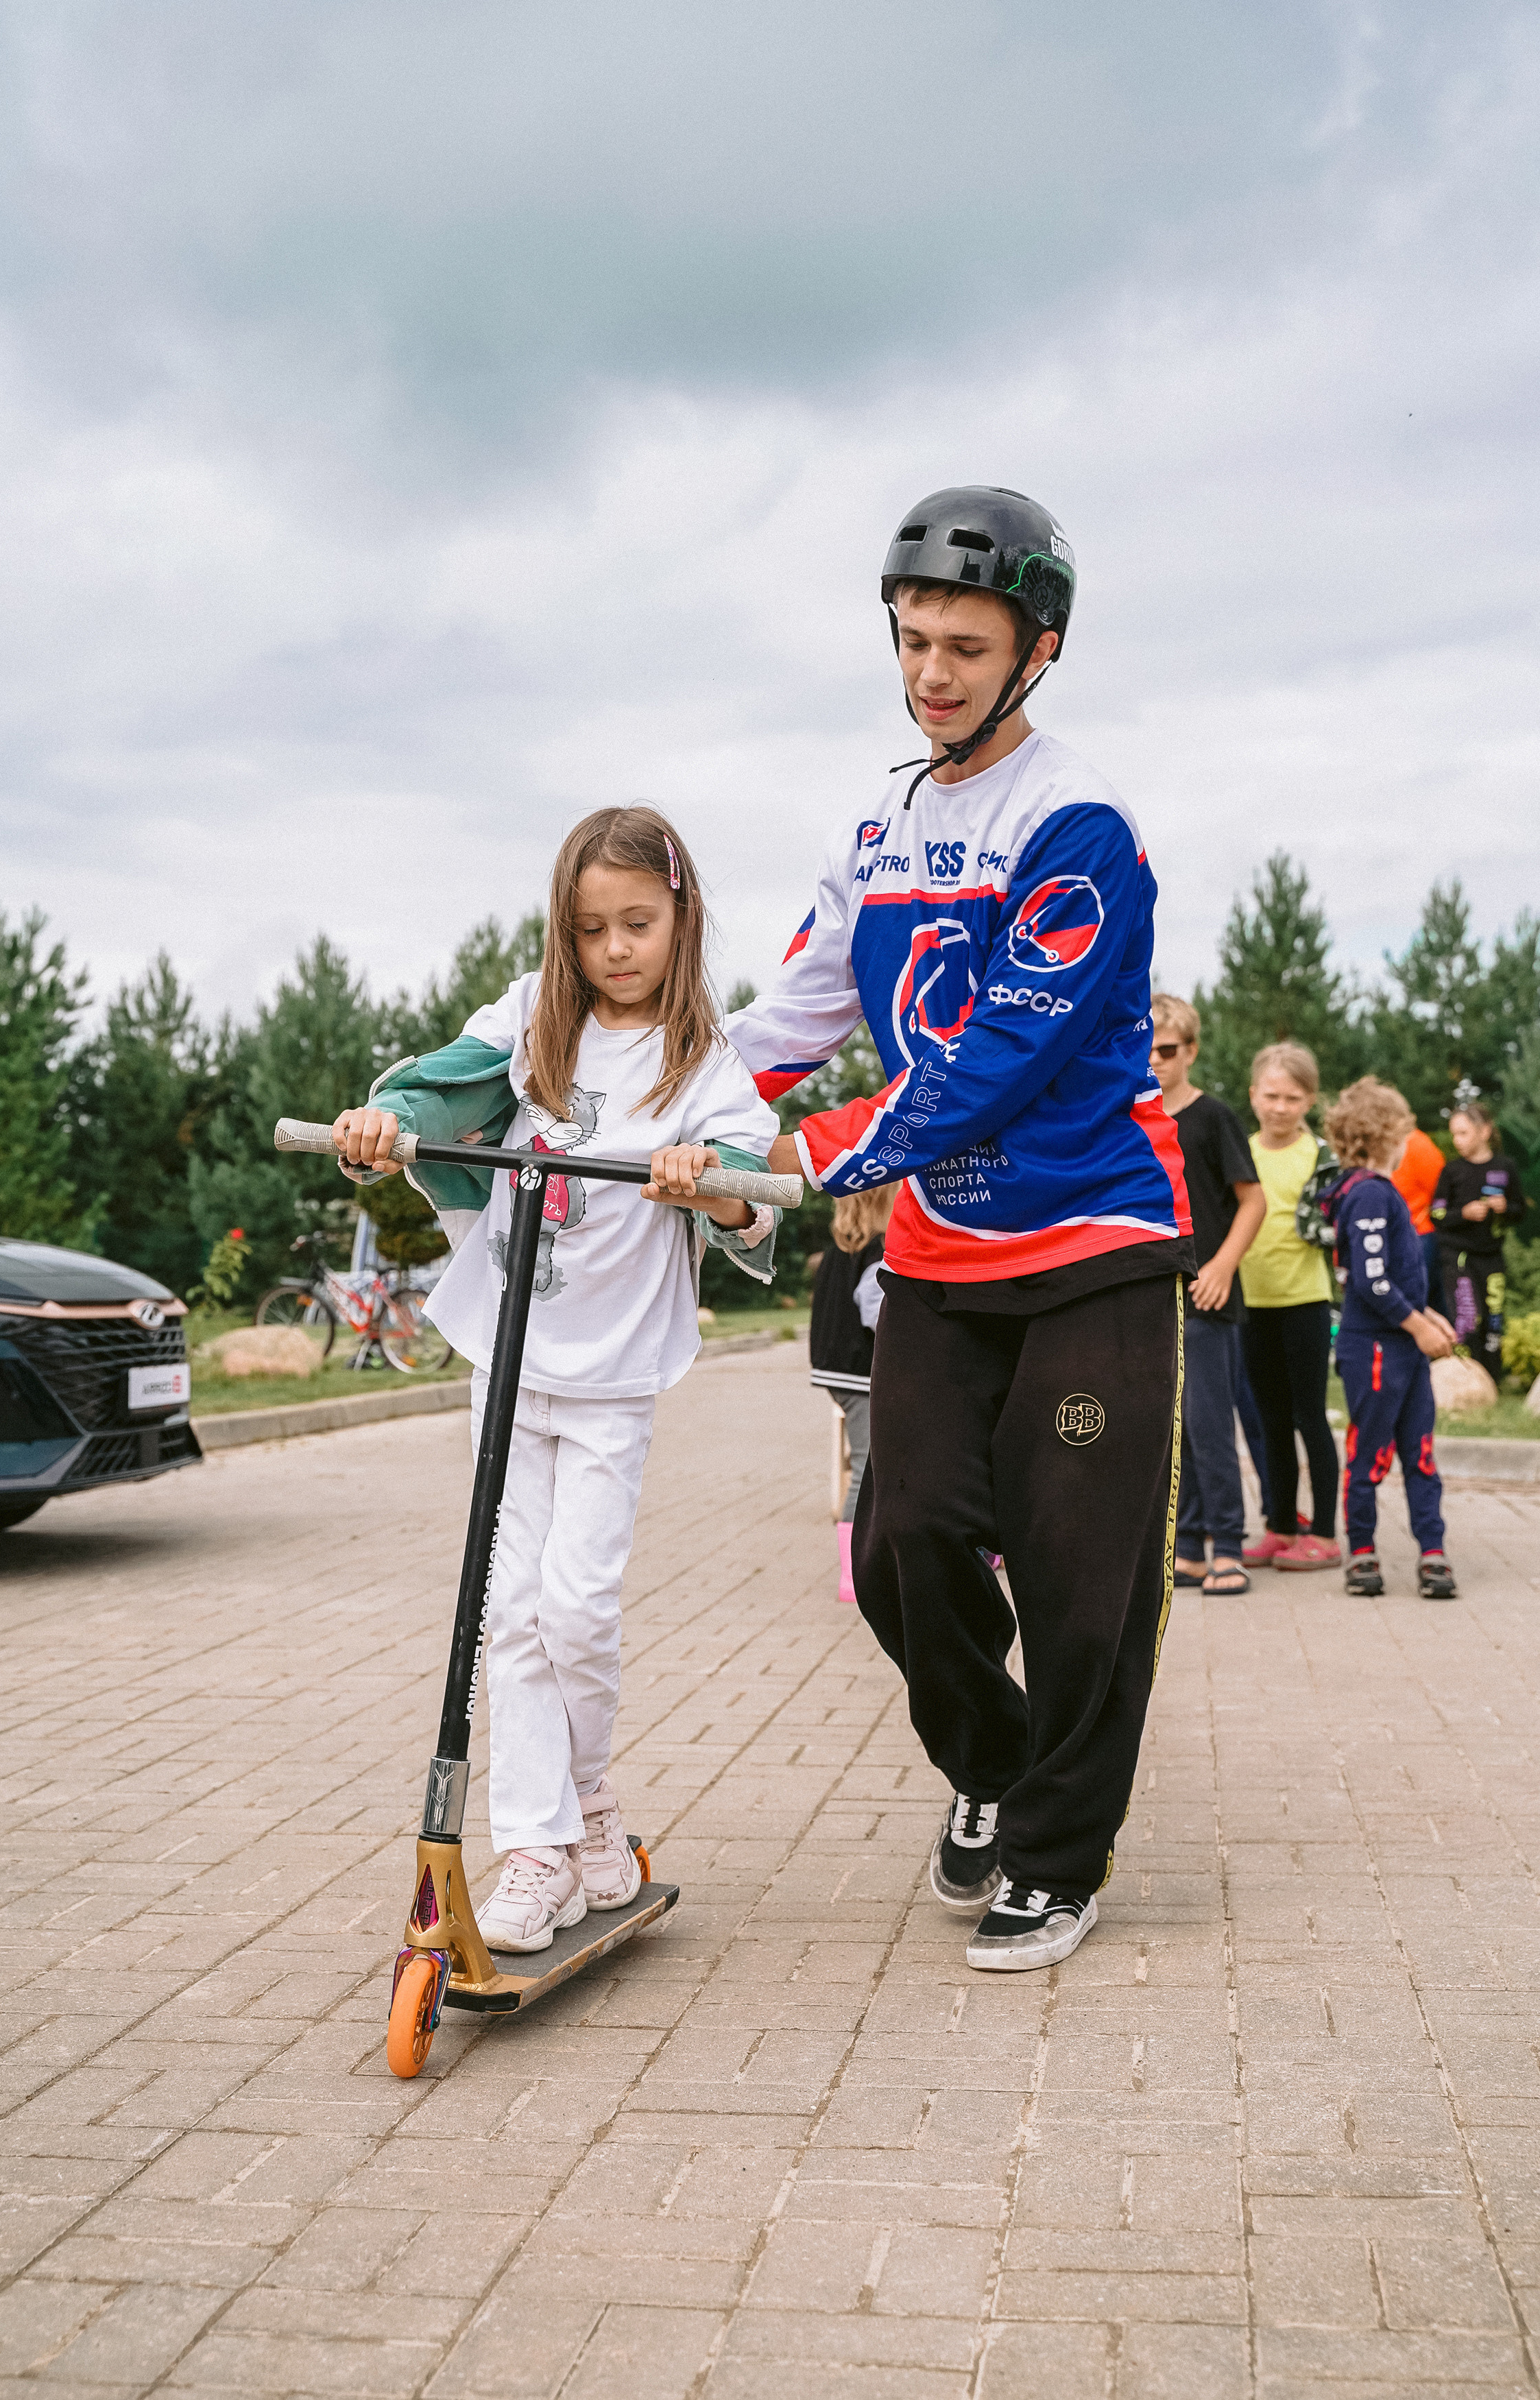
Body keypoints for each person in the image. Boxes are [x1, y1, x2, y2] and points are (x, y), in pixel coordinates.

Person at [727, 485, 1193, 1976]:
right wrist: (639, 1110)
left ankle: (1057, 1854)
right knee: (898, 1548)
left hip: (1091, 1250)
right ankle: (992, 1764)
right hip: (936, 1260)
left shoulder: (1078, 825)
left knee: (1075, 1568)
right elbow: (785, 1022)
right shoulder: (874, 827)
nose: (930, 673)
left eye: (965, 646)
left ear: (1034, 651)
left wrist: (806, 1156)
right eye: (912, 639)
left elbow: (994, 1057)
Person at [331, 807, 780, 1953]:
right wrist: (384, 1123)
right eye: (589, 929)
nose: (613, 949)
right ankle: (538, 1851)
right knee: (509, 1612)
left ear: (681, 917)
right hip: (509, 1356)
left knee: (574, 1609)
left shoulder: (704, 1063)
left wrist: (706, 1180)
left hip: (613, 1375)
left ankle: (588, 1806)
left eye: (637, 923)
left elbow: (749, 1192)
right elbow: (441, 1087)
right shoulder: (534, 1018)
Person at [1148, 996, 1266, 1598]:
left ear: (1190, 1051)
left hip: (1208, 1297)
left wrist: (1222, 1265)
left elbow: (1253, 1200)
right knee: (1174, 1432)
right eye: (1144, 1049)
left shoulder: (1213, 1117)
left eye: (1167, 1050)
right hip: (1154, 1298)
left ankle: (1229, 1546)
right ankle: (1190, 1546)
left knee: (1210, 1426)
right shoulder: (1132, 1117)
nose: (1155, 1060)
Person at [1323, 1077, 1458, 1599]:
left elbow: (1390, 1279)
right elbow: (1372, 1281)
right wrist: (1419, 1326)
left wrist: (1428, 1317)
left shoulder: (1375, 1192)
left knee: (1419, 1451)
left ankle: (1432, 1550)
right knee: (1370, 1452)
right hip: (1376, 1348)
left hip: (1402, 1342)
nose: (1407, 1144)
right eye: (1403, 1134)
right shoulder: (1369, 1195)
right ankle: (1362, 1551)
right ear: (1385, 1137)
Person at [1239, 1042, 1341, 1571]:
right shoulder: (1240, 1152)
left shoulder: (1322, 1158)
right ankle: (1280, 1526)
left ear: (1310, 1101)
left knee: (1309, 1417)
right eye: (1271, 1096)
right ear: (1252, 1095)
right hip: (1249, 1303)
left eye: (1292, 1098)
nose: (1280, 1107)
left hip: (1305, 1301)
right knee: (1270, 1419)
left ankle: (1323, 1533)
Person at [809, 1184, 898, 1603]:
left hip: (836, 1372)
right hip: (860, 1373)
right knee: (866, 1466)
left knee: (870, 1462)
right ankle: (853, 1574)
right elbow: (876, 1313)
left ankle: (867, 1563)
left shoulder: (835, 1254)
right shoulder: (879, 1251)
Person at [1432, 1098, 1528, 1380]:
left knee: (1494, 1317)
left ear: (1485, 1131)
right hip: (1458, 1256)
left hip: (1492, 1256)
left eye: (1463, 1133)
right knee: (1467, 1316)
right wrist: (1463, 1213)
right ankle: (1466, 1376)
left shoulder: (1506, 1167)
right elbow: (1436, 1214)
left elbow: (1520, 1210)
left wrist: (1505, 1208)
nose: (1457, 1140)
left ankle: (1492, 1379)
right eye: (1454, 1134)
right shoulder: (1452, 1170)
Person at [1392, 1116, 1449, 1319]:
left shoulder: (1417, 1144)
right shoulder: (1383, 1146)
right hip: (1396, 1237)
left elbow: (1441, 1191)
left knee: (1417, 1303)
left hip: (1420, 1234)